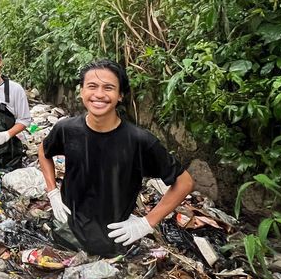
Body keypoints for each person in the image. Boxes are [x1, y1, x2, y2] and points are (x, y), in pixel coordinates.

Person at [38, 59, 194, 257]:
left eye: (109, 88)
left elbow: (184, 182)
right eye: (92, 86)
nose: (99, 94)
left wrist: (146, 222)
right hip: (66, 231)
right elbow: (43, 151)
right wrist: (53, 193)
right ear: (81, 91)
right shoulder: (67, 129)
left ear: (120, 95)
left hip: (114, 240)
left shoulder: (139, 141)